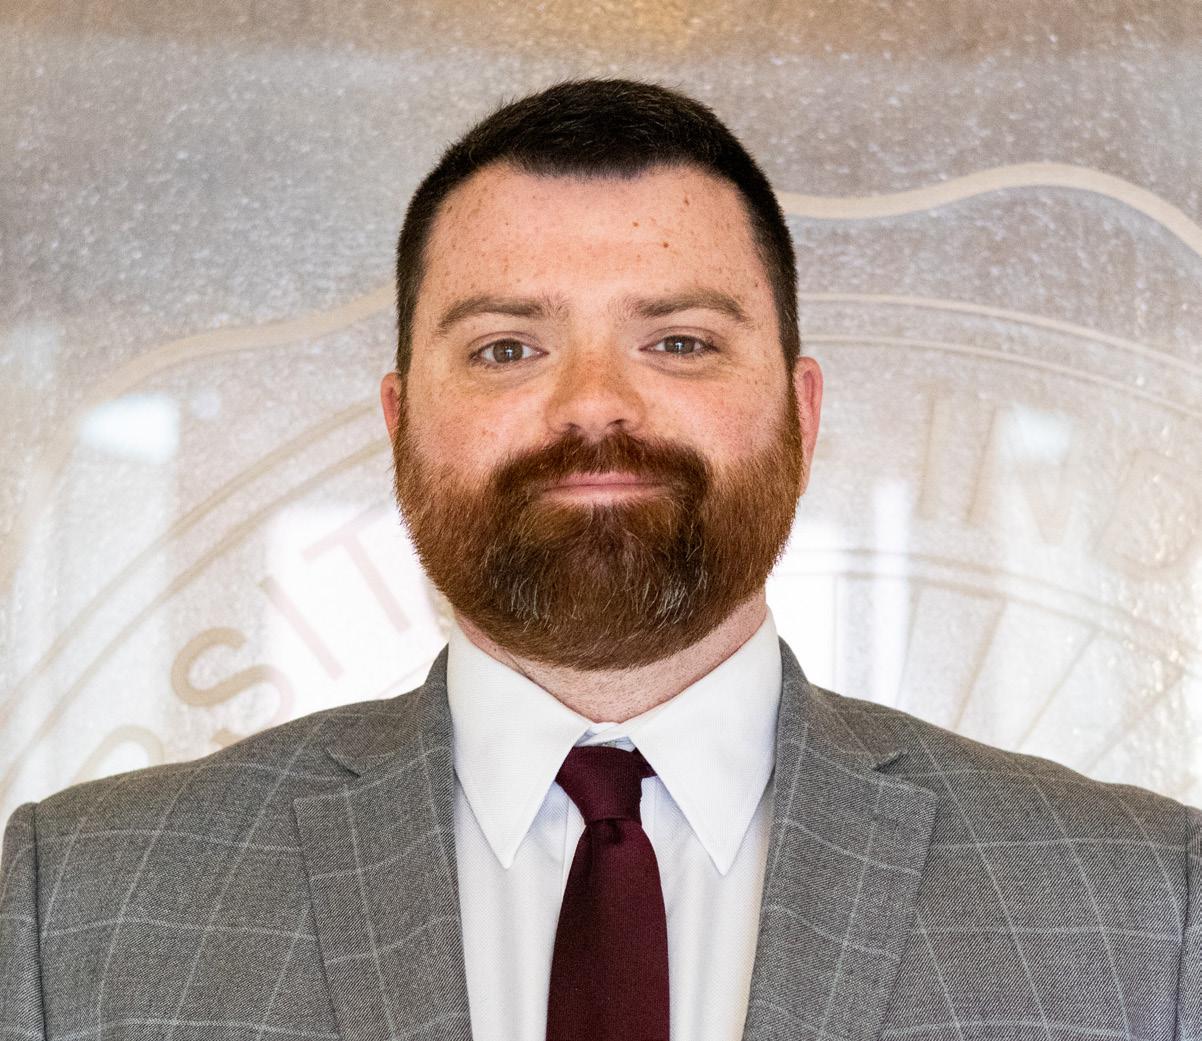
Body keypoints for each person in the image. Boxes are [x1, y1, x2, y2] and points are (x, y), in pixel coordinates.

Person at [1, 77, 1198, 1041]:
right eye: (506, 348)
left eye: (677, 341)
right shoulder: (80, 905)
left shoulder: (1142, 908)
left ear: (801, 413)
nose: (592, 405)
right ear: (399, 422)